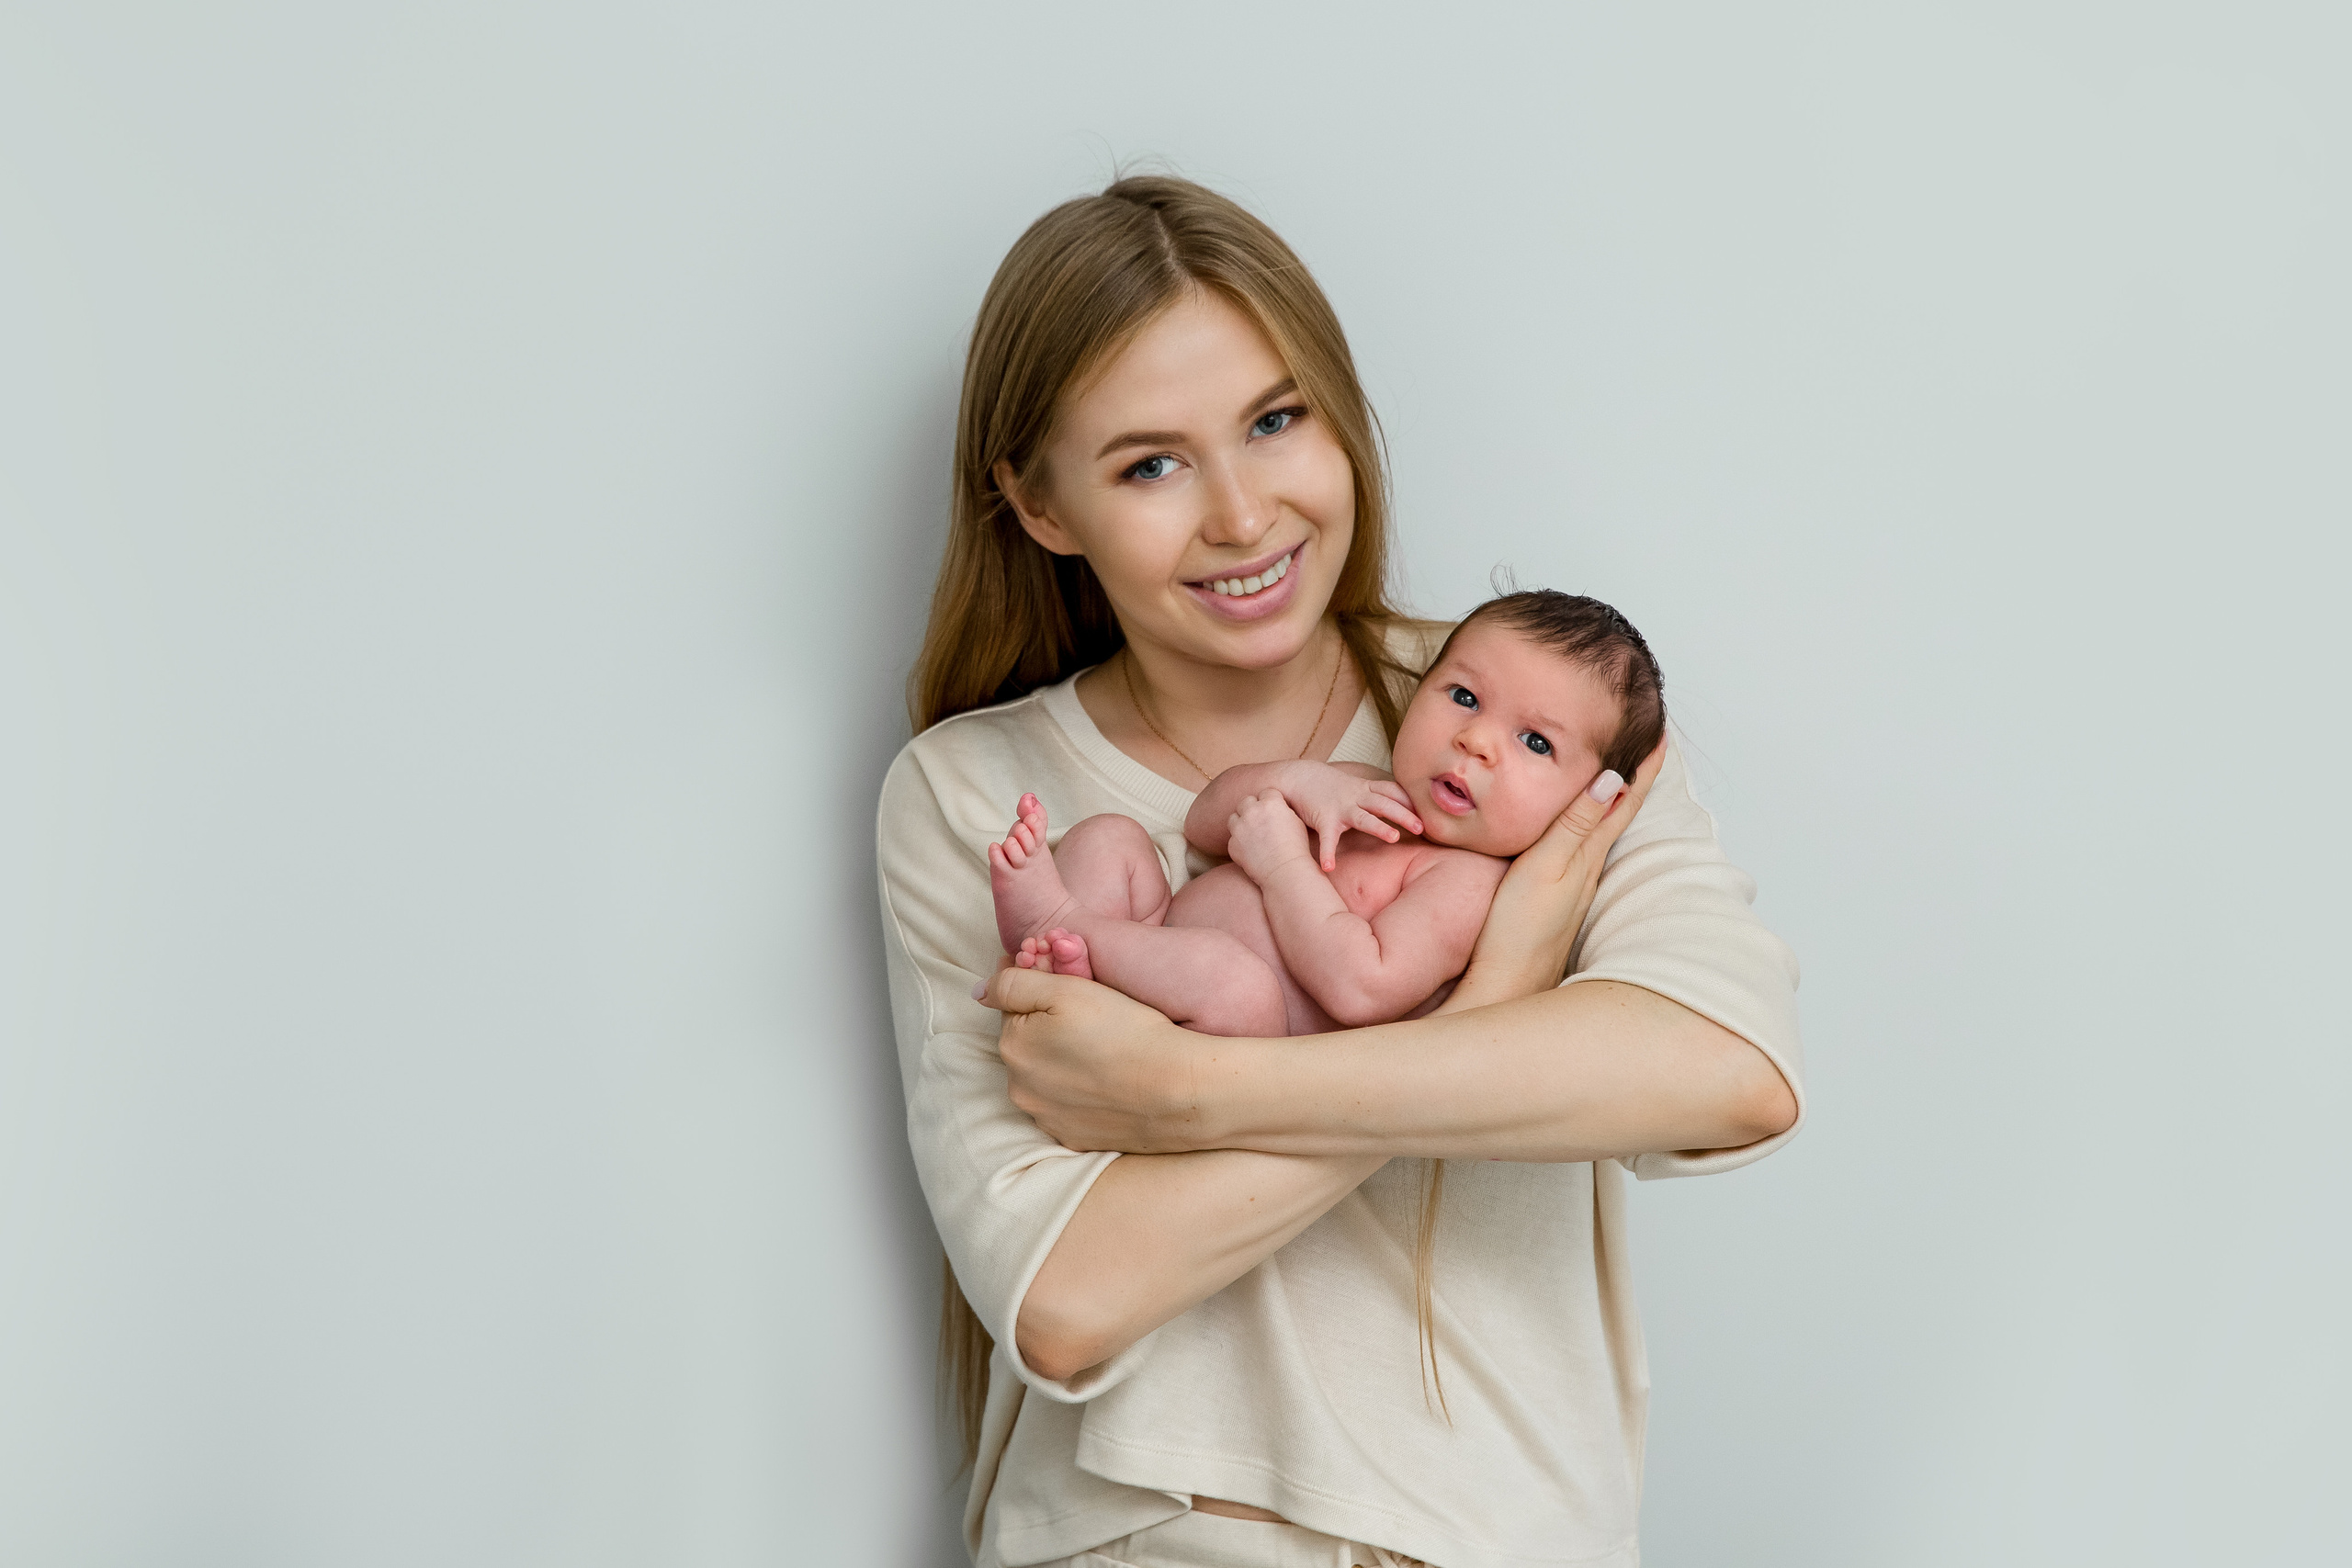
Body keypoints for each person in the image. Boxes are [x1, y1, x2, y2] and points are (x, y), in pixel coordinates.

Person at [876, 175, 1804, 1568]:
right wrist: (1502, 1008)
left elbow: (1725, 1071)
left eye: (1274, 419)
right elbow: (1068, 1291)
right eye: (1149, 463)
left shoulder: (1522, 711)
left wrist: (1194, 1090)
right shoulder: (972, 794)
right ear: (1040, 504)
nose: (1244, 515)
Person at [985, 592, 1666, 1041]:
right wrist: (1293, 780)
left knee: (1236, 982)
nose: (1476, 740)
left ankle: (1059, 929)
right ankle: (1064, 968)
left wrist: (1282, 864)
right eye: (1462, 695)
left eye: (1535, 741)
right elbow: (1203, 824)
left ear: (1589, 799)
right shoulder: (1362, 787)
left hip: (1223, 1034)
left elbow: (1361, 988)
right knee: (1113, 838)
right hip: (1157, 931)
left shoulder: (1470, 886)